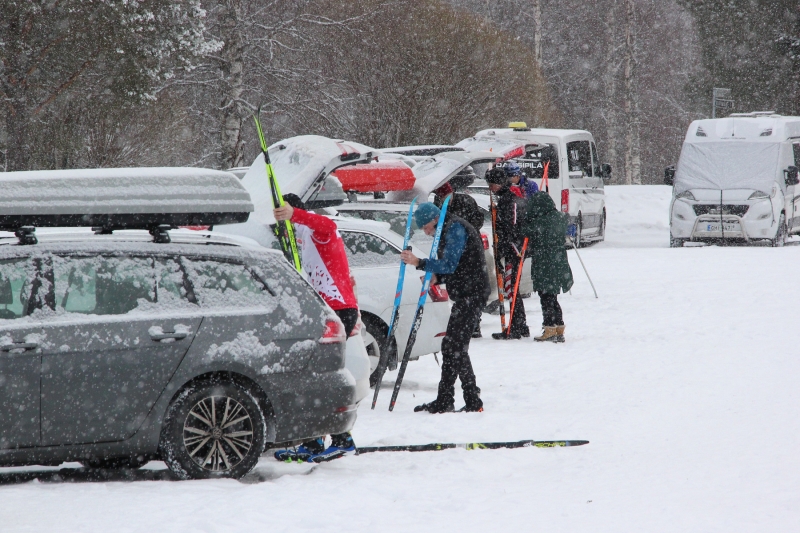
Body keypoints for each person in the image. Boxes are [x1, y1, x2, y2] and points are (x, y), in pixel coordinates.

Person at [272, 194, 359, 462]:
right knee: (308, 379)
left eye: (283, 214)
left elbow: (327, 225)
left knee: (322, 377)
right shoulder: (297, 237)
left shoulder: (316, 229)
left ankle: (343, 440)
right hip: (321, 310)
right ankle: (312, 440)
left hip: (339, 308)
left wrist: (295, 214)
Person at [400, 202, 490, 413]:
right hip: (467, 293)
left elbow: (451, 263)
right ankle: (462, 399)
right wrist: (437, 277)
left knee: (453, 347)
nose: (426, 232)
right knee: (454, 347)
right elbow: (456, 267)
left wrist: (419, 262)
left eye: (425, 227)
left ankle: (456, 400)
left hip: (472, 294)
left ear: (433, 220)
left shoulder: (455, 228)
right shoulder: (449, 228)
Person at [432, 166, 486, 338]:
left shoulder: (466, 201)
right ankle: (464, 322)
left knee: (471, 289)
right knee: (456, 287)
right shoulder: (438, 206)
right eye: (441, 197)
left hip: (469, 251)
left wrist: (464, 234)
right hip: (451, 252)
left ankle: (474, 324)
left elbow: (478, 219)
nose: (444, 200)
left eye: (446, 196)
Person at [520, 191, 574, 343]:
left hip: (545, 263)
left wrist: (528, 218)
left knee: (546, 297)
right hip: (559, 261)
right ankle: (558, 326)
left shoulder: (541, 222)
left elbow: (526, 231)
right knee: (553, 296)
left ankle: (549, 326)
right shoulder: (560, 218)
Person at [485, 165, 530, 340]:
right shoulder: (503, 199)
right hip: (510, 248)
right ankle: (520, 325)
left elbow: (510, 229)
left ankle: (516, 327)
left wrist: (504, 249)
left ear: (501, 183)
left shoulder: (509, 200)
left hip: (514, 250)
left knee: (512, 289)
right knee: (512, 289)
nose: (491, 188)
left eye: (492, 184)